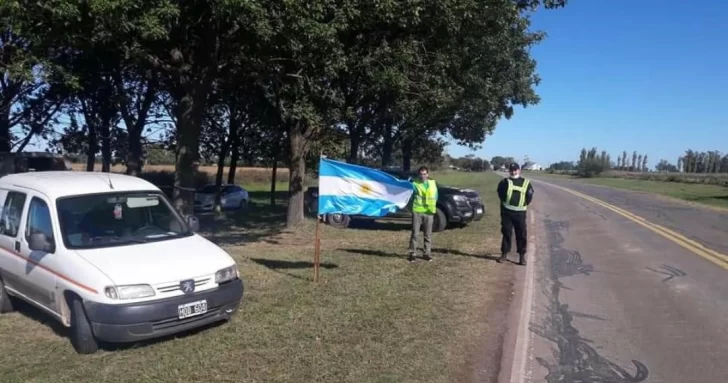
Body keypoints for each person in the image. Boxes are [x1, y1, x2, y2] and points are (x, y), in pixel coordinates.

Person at [496, 163, 534, 265]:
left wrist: (523, 204)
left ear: (519, 170)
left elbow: (529, 196)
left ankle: (522, 257)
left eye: (515, 170)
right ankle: (504, 254)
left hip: (520, 213)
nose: (513, 172)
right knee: (507, 233)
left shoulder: (526, 183)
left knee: (521, 234)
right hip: (507, 213)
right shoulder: (504, 182)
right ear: (509, 171)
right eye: (511, 170)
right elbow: (500, 194)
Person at [408, 166, 438, 262]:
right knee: (415, 234)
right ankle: (412, 254)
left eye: (425, 174)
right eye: (421, 174)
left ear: (428, 174)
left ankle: (427, 254)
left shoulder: (433, 183)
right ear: (418, 174)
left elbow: (436, 196)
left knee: (428, 234)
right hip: (417, 211)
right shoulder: (415, 184)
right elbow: (410, 196)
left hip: (429, 212)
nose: (423, 176)